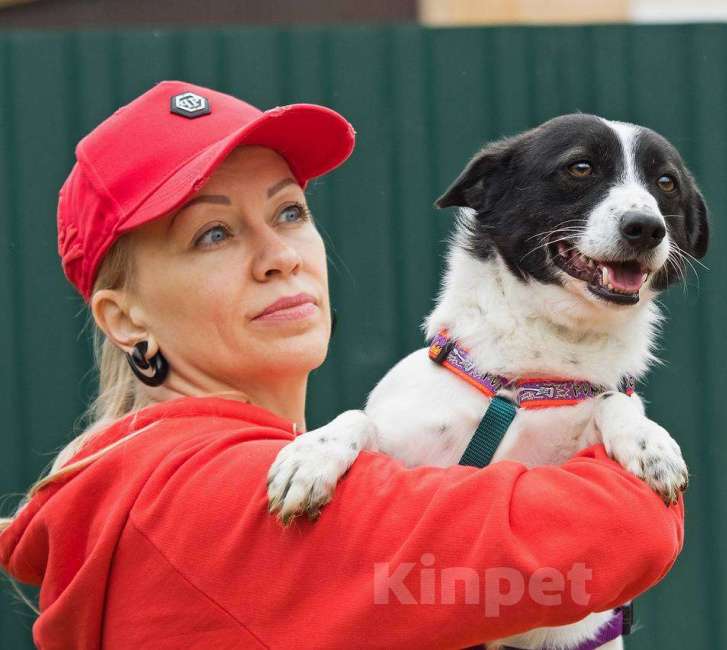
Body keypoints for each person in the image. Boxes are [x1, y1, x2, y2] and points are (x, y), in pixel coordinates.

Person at [0, 81, 684, 649]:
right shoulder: (202, 496)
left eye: (289, 211)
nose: (279, 255)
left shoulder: (163, 477)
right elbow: (604, 535)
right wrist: (624, 445)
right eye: (213, 233)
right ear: (126, 319)